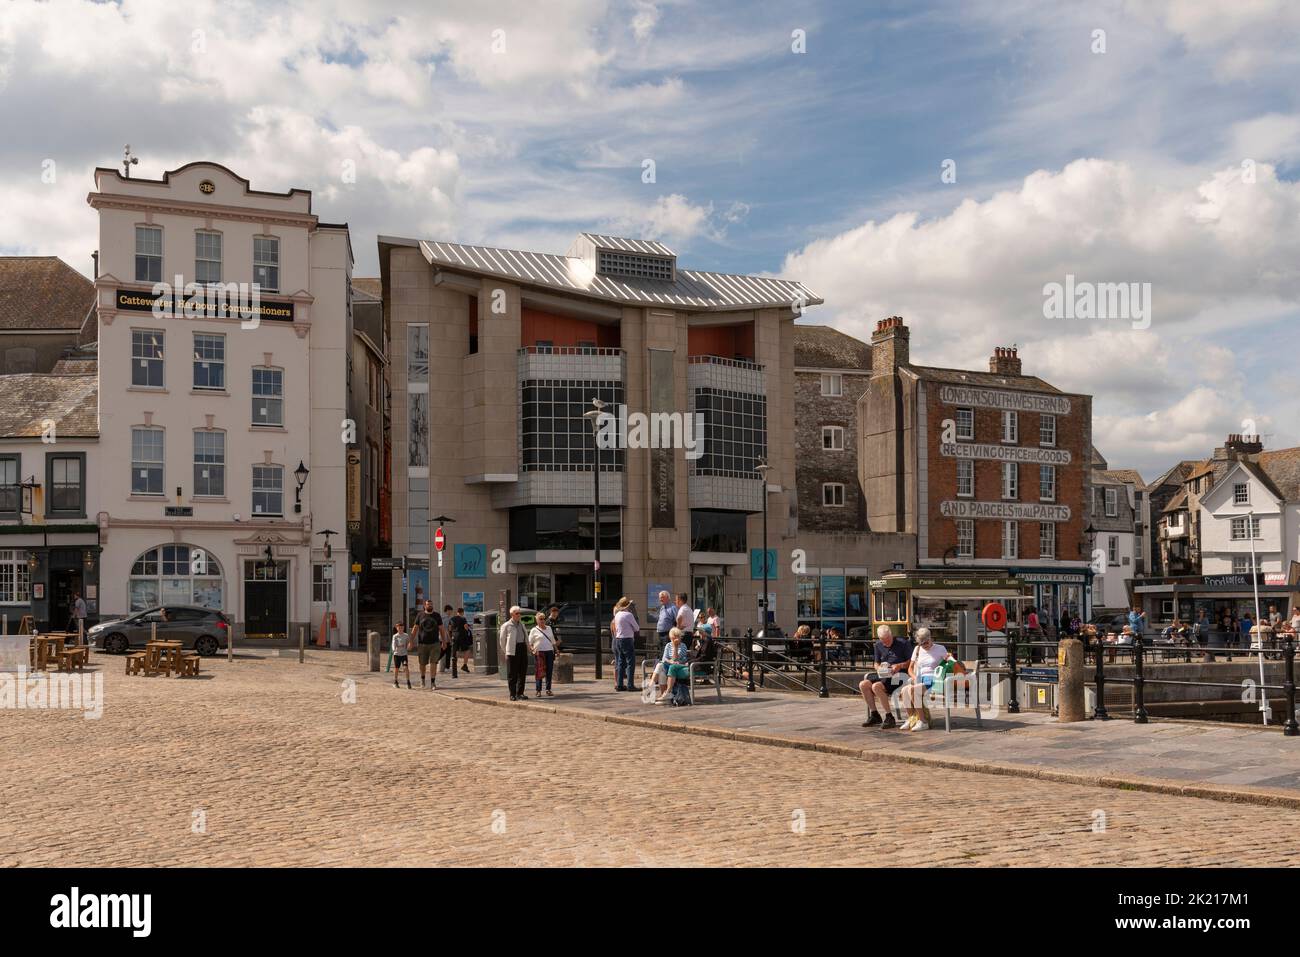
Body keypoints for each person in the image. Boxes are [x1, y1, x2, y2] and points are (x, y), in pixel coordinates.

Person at [859, 624, 913, 729]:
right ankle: (875, 715)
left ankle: (889, 717)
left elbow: (911, 662)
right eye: (883, 640)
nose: (886, 642)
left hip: (900, 676)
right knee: (863, 684)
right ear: (880, 639)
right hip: (884, 675)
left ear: (891, 635)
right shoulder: (878, 645)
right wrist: (879, 668)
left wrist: (899, 665)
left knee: (876, 687)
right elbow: (876, 663)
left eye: (888, 639)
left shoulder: (903, 643)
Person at [901, 627, 949, 732]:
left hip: (935, 679)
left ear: (930, 638)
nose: (925, 646)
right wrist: (914, 677)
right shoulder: (917, 649)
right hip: (921, 678)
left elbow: (949, 664)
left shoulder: (940, 648)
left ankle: (923, 721)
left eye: (926, 643)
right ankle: (912, 718)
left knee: (914, 689)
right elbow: (910, 668)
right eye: (922, 644)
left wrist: (947, 663)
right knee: (904, 690)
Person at [499, 606, 530, 701]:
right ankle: (512, 694)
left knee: (522, 672)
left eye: (519, 613)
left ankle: (520, 693)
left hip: (522, 648)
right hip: (512, 650)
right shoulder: (506, 625)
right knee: (512, 674)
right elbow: (502, 641)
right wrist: (507, 651)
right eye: (517, 613)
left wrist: (528, 647)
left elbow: (526, 638)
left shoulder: (522, 624)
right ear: (512, 614)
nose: (519, 615)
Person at [414, 600, 445, 689]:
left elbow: (442, 629)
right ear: (425, 605)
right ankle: (422, 680)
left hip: (434, 643)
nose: (430, 606)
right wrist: (411, 641)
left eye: (431, 604)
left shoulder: (437, 615)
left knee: (433, 663)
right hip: (422, 644)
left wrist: (444, 641)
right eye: (428, 604)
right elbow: (415, 629)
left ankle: (433, 682)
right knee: (422, 664)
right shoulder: (420, 615)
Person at [655, 628, 691, 704]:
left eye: (676, 637)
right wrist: (670, 661)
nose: (673, 639)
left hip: (677, 666)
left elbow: (676, 659)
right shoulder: (668, 645)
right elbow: (664, 658)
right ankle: (664, 696)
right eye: (672, 638)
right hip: (668, 665)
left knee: (662, 668)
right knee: (660, 667)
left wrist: (675, 647)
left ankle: (663, 694)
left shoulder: (683, 646)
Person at [610, 596, 639, 692]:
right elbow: (636, 628)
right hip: (627, 639)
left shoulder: (617, 615)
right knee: (630, 662)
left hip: (618, 639)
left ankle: (620, 684)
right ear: (627, 605)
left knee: (620, 662)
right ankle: (630, 685)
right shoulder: (628, 615)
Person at [528, 613, 557, 697]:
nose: (542, 620)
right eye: (540, 619)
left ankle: (548, 689)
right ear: (537, 620)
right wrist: (532, 649)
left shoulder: (549, 628)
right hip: (539, 652)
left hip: (549, 651)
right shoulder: (534, 630)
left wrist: (556, 650)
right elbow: (530, 642)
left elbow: (553, 640)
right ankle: (538, 690)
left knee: (549, 671)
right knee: (539, 671)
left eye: (543, 618)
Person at [448, 606, 472, 672]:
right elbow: (466, 627)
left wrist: (451, 636)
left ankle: (454, 666)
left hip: (454, 636)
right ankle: (464, 665)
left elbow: (449, 629)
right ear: (462, 612)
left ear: (457, 612)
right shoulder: (463, 618)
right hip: (462, 637)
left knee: (456, 651)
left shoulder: (452, 619)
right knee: (467, 650)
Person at [391, 621, 412, 689]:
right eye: (399, 628)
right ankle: (395, 681)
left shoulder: (406, 635)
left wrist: (409, 646)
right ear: (397, 628)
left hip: (404, 654)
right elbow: (393, 644)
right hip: (397, 654)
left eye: (402, 628)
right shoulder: (395, 636)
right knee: (397, 668)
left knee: (406, 667)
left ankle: (408, 681)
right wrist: (394, 649)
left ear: (403, 628)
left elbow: (409, 643)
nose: (400, 629)